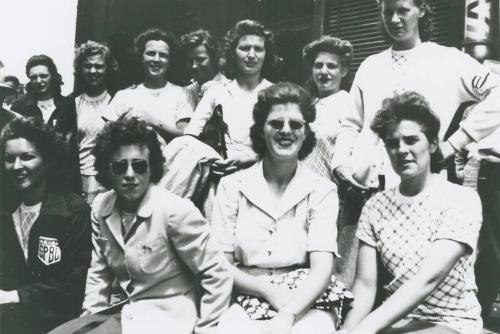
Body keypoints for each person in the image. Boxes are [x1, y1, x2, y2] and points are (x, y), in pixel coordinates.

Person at [51, 118, 232, 334]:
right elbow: (99, 274)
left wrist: (206, 330)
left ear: (152, 168)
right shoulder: (101, 207)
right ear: (106, 170)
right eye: (119, 166)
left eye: (139, 165)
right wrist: (88, 322)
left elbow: (217, 274)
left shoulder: (175, 210)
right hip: (128, 314)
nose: (129, 175)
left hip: (171, 319)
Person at [339, 92, 483, 334]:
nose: (401, 150)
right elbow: (364, 286)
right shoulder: (375, 206)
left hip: (450, 322)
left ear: (433, 143)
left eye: (411, 140)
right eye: (392, 143)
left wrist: (365, 330)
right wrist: (347, 330)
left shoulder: (461, 199)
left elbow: (428, 278)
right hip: (394, 321)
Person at [214, 83, 351, 334]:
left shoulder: (322, 190)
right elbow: (220, 264)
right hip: (245, 295)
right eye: (276, 123)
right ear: (261, 130)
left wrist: (288, 314)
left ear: (306, 133)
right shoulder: (231, 186)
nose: (286, 131)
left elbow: (321, 268)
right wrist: (267, 290)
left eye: (296, 125)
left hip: (307, 298)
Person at [333, 0, 500, 192]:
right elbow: (350, 124)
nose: (394, 19)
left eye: (403, 10)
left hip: (420, 191)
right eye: (387, 12)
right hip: (361, 188)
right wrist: (340, 162)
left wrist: (454, 144)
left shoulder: (448, 60)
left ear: (421, 10)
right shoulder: (370, 66)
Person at [0, 117, 92, 333]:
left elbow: (75, 284)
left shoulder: (73, 209)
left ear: (48, 160)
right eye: (9, 159)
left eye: (27, 157)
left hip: (61, 323)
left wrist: (15, 296)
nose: (17, 166)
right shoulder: (4, 209)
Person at [184, 19, 276, 176]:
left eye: (258, 49)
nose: (252, 55)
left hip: (264, 173)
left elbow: (286, 144)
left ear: (266, 54)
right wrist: (211, 160)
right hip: (223, 172)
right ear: (233, 53)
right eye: (245, 48)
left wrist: (252, 159)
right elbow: (190, 137)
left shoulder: (276, 93)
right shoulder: (216, 92)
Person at [102, 28, 193, 144]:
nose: (156, 59)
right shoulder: (124, 95)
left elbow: (186, 135)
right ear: (141, 57)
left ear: (169, 60)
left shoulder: (182, 94)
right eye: (150, 53)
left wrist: (153, 122)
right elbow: (105, 138)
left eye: (163, 55)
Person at [11, 54, 82, 193]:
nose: (39, 80)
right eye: (33, 77)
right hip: (30, 176)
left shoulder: (68, 105)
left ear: (53, 76)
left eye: (44, 76)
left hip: (61, 177)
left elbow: (72, 144)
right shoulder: (20, 106)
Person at [301, 35, 355, 181]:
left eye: (331, 66)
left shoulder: (349, 105)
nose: (323, 72)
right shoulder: (306, 106)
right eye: (318, 65)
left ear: (343, 71)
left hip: (331, 193)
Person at [73, 40, 119, 204]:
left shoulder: (117, 100)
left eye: (99, 66)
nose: (93, 70)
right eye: (87, 66)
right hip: (77, 179)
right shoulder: (71, 103)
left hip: (107, 180)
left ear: (107, 69)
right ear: (80, 68)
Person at [179, 29, 229, 108]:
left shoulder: (231, 89)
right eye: (190, 61)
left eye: (200, 60)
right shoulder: (185, 93)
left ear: (214, 58)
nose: (194, 66)